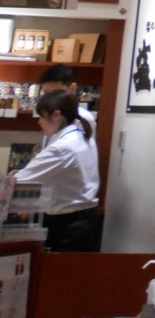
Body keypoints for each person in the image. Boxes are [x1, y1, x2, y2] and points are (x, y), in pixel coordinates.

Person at [14, 90, 100, 251]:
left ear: (56, 115)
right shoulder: (82, 137)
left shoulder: (63, 148)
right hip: (85, 219)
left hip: (69, 224)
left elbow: (21, 179)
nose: (39, 121)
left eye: (41, 116)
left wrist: (11, 179)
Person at [38, 63, 97, 139]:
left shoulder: (84, 118)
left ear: (72, 89)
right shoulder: (49, 116)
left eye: (56, 93)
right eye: (46, 94)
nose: (50, 99)